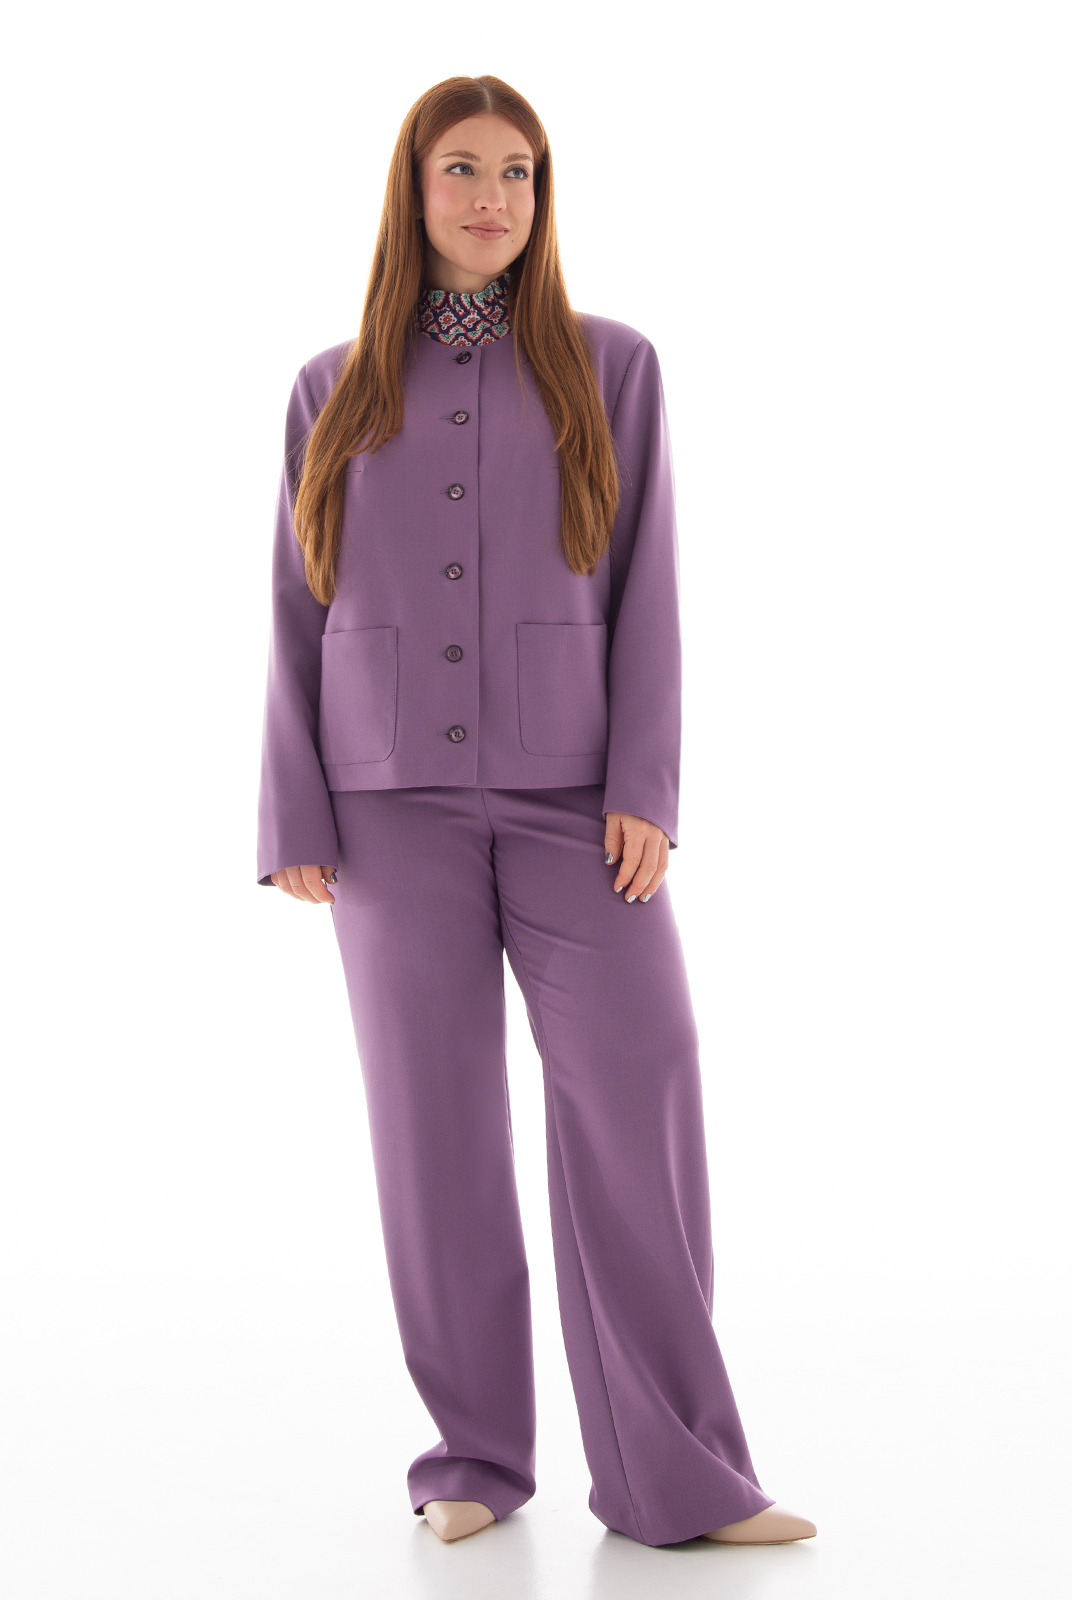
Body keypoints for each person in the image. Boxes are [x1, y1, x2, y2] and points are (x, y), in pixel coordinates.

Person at [256, 73, 816, 1551]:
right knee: (431, 1128)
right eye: (462, 169)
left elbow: (652, 582)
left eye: (517, 171)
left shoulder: (611, 366)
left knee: (641, 1089)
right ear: (414, 188)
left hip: (579, 802)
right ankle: (469, 1461)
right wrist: (291, 805)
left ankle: (676, 1477)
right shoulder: (331, 386)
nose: (491, 197)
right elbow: (296, 604)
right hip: (385, 810)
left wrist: (646, 787)